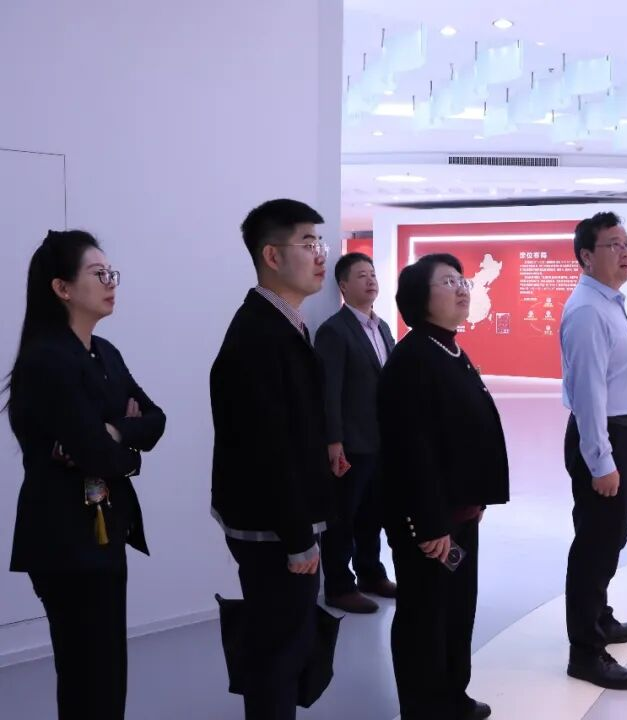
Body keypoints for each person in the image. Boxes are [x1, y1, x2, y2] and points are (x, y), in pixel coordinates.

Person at [6, 230, 166, 720]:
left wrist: (114, 433)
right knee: (86, 674)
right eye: (99, 274)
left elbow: (155, 420)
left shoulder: (105, 352)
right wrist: (120, 445)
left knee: (108, 668)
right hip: (63, 536)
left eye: (111, 273)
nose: (111, 282)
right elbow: (96, 452)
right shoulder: (46, 358)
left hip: (105, 527)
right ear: (62, 288)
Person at [210, 199, 334, 720]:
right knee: (277, 653)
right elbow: (266, 447)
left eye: (319, 242)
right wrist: (298, 535)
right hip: (274, 529)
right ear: (272, 256)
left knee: (285, 644)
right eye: (307, 243)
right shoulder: (258, 335)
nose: (320, 254)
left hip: (283, 519)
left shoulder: (284, 325)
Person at [377, 253, 509, 720]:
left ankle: (453, 696)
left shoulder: (449, 349)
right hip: (431, 524)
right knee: (425, 619)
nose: (462, 288)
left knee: (457, 611)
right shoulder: (413, 359)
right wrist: (429, 524)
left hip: (459, 514)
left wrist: (477, 498)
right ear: (420, 297)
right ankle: (423, 708)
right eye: (448, 282)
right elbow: (410, 450)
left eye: (462, 280)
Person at [561, 212, 627, 691]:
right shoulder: (587, 312)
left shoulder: (608, 303)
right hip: (607, 438)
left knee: (609, 538)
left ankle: (598, 616)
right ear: (586, 256)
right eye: (613, 244)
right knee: (595, 545)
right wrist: (602, 461)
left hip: (624, 436)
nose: (626, 252)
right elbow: (588, 394)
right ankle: (585, 651)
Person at [314, 252, 397, 614]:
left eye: (373, 274)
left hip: (380, 442)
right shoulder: (334, 330)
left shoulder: (383, 327)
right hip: (351, 443)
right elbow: (328, 392)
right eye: (361, 275)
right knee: (342, 517)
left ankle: (371, 574)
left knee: (373, 514)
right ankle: (338, 585)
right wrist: (333, 441)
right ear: (344, 286)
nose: (371, 280)